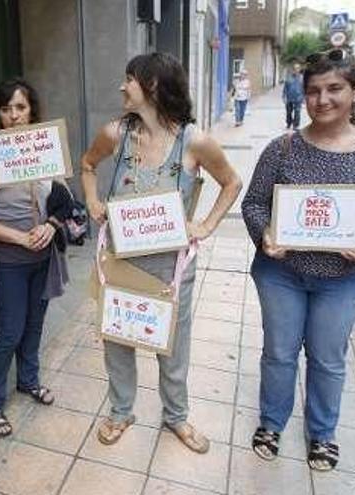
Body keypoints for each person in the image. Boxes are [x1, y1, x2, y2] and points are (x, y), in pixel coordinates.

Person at [242, 49, 355, 471]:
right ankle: (272, 422)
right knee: (279, 352)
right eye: (313, 91)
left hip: (344, 277)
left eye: (334, 89)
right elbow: (254, 204)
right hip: (282, 272)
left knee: (328, 358)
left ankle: (322, 433)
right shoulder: (283, 147)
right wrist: (266, 233)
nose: (322, 99)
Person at [81, 53, 242, 451]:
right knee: (117, 338)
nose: (122, 87)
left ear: (151, 86)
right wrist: (92, 201)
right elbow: (86, 165)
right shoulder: (115, 134)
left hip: (171, 267)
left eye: (129, 80)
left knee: (171, 345)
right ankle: (121, 412)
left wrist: (204, 226)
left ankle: (176, 417)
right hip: (119, 259)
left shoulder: (195, 141)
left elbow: (231, 183)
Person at [0, 79, 69, 437]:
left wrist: (52, 226)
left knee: (34, 325)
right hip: (6, 262)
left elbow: (62, 200)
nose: (14, 116)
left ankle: (29, 381)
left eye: (21, 108)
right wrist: (19, 237)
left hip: (42, 260)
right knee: (10, 330)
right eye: (6, 108)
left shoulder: (45, 148)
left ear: (32, 111)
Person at [283, 63, 304, 130]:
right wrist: (284, 97)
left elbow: (305, 89)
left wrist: (304, 98)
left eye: (297, 68)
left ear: (299, 69)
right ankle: (289, 123)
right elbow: (285, 88)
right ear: (293, 70)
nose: (296, 70)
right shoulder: (288, 78)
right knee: (289, 112)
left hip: (298, 98)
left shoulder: (302, 78)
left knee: (297, 112)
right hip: (289, 98)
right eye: (295, 68)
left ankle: (296, 125)